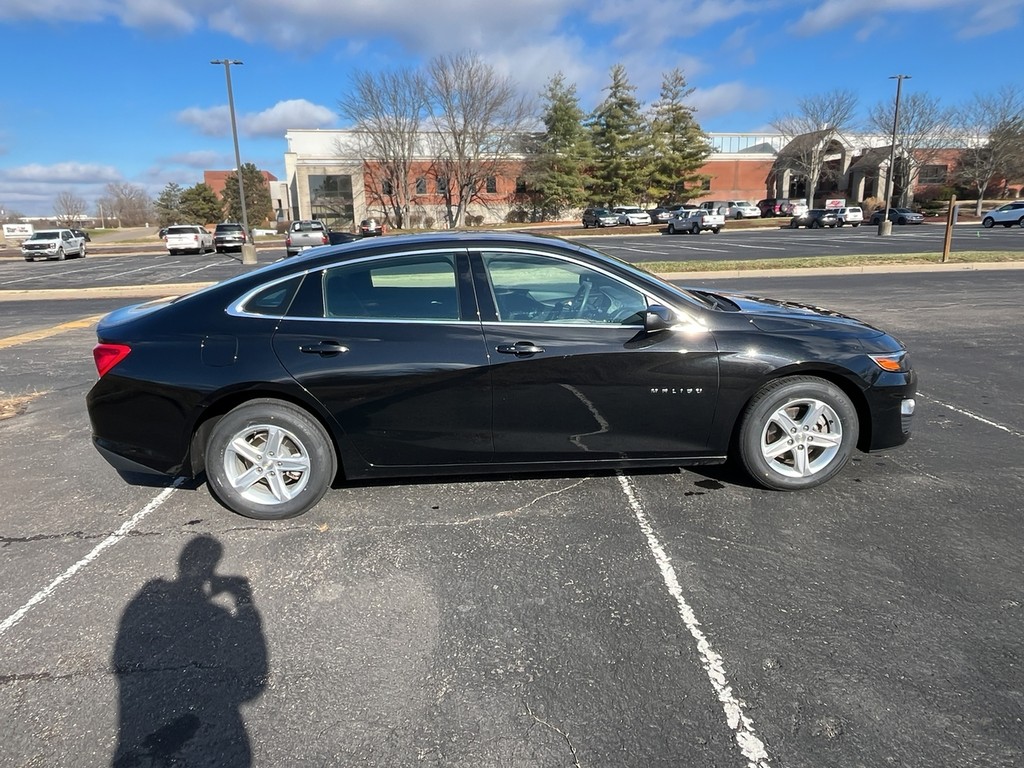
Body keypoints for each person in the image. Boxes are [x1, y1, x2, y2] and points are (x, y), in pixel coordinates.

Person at [112, 536, 268, 767]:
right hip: (217, 734)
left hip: (141, 732)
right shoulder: (219, 615)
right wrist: (245, 602)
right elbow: (252, 684)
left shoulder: (146, 601)